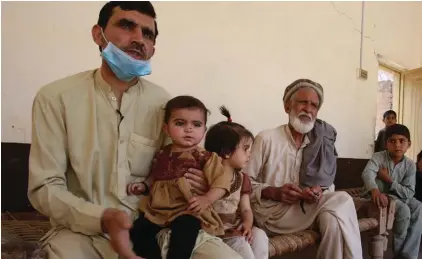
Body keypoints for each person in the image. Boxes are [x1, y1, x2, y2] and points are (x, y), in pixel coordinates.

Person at [27, 2, 242, 258]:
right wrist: (102, 217)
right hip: (82, 231)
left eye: (148, 34)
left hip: (155, 224)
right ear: (98, 34)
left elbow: (179, 163)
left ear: (153, 48)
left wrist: (201, 182)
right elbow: (45, 188)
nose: (139, 39)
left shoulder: (163, 103)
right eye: (127, 25)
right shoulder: (56, 98)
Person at [244, 79, 363, 259]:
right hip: (270, 216)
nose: (308, 109)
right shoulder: (266, 138)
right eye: (303, 102)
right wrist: (272, 192)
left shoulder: (317, 143)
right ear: (287, 106)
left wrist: (316, 192)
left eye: (314, 105)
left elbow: (327, 188)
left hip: (302, 213)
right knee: (343, 199)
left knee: (333, 219)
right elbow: (242, 184)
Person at [127, 96, 231, 259]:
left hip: (187, 209)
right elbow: (155, 175)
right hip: (158, 210)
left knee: (185, 230)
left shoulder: (205, 157)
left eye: (196, 125)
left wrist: (207, 199)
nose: (189, 129)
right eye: (180, 123)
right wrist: (144, 186)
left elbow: (222, 182)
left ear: (204, 130)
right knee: (138, 230)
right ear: (166, 129)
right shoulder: (162, 153)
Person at [204, 106, 269, 259]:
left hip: (234, 226)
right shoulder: (208, 174)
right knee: (240, 244)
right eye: (246, 149)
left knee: (259, 235)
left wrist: (247, 224)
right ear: (227, 152)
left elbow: (246, 209)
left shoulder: (242, 178)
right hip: (214, 232)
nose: (249, 154)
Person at [362, 124, 422, 259]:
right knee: (404, 211)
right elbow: (367, 173)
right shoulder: (378, 157)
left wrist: (388, 180)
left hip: (399, 197)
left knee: (418, 207)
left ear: (409, 144)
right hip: (379, 196)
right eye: (392, 141)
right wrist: (375, 190)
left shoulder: (410, 165)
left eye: (402, 141)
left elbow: (409, 192)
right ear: (386, 143)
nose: (397, 145)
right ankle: (400, 254)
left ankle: (409, 255)